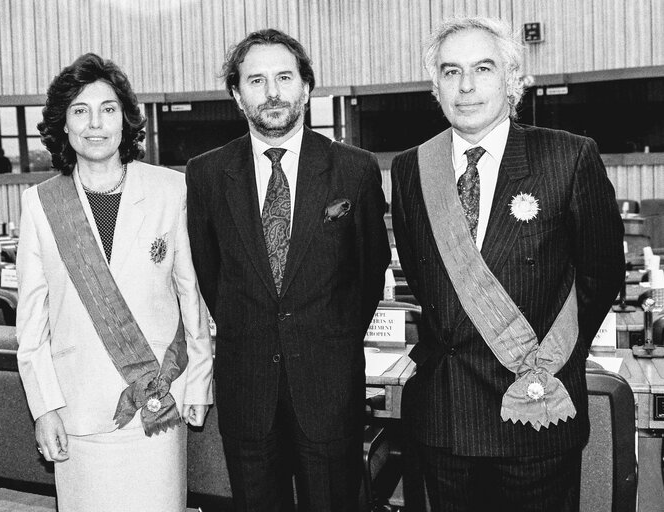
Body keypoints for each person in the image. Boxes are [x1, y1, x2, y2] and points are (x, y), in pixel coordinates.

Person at [390, 16, 625, 511]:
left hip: (532, 407)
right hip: (445, 413)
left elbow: (601, 277)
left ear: (512, 80)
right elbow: (420, 274)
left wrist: (548, 362)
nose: (467, 85)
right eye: (451, 72)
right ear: (436, 87)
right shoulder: (412, 167)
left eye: (483, 68)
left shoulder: (568, 156)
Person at [186, 29, 390, 512]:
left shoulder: (354, 169)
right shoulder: (207, 174)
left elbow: (369, 272)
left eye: (284, 77)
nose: (272, 92)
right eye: (256, 80)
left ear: (306, 87)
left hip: (328, 384)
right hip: (246, 386)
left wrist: (327, 337)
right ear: (237, 95)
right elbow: (210, 273)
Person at [16, 53, 213, 512]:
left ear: (125, 120)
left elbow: (192, 297)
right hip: (77, 410)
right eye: (80, 111)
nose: (94, 123)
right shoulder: (40, 205)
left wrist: (200, 380)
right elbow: (31, 323)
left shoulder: (170, 189)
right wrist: (43, 408)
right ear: (63, 125)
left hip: (157, 405)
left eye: (107, 109)